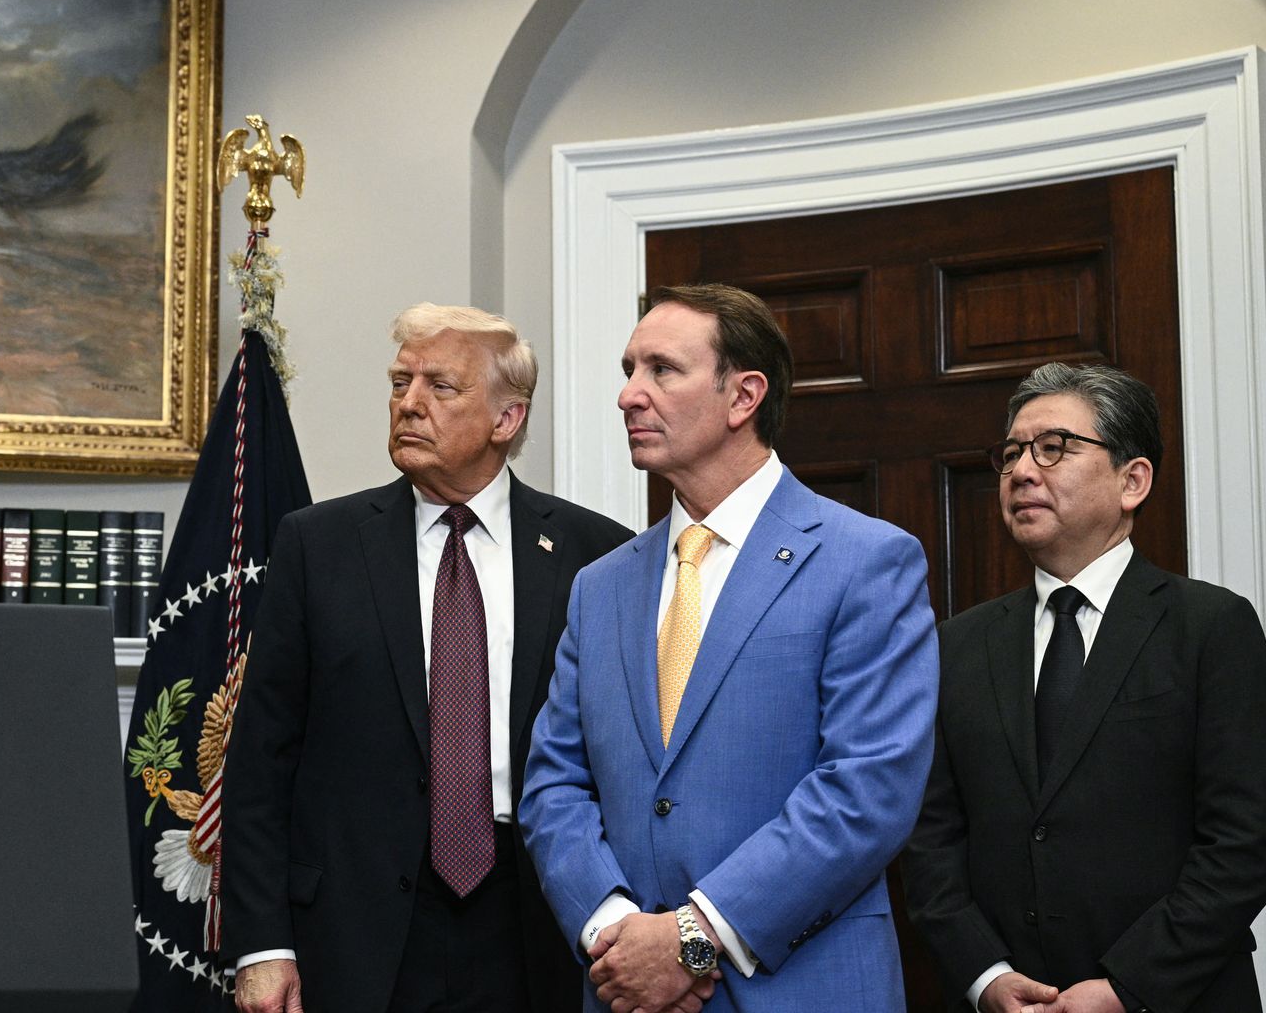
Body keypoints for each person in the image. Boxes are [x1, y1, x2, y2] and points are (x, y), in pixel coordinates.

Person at [520, 283, 938, 1012]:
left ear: (744, 396)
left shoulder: (866, 561)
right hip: (626, 992)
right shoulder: (601, 586)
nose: (629, 396)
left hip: (805, 988)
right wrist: (619, 935)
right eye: (628, 370)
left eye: (661, 370)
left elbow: (867, 791)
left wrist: (691, 940)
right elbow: (554, 785)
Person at [222, 304, 634, 1013]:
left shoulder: (596, 555)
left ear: (507, 419)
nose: (408, 403)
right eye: (399, 382)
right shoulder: (318, 547)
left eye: (440, 387)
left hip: (534, 919)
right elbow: (261, 760)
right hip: (357, 924)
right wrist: (262, 945)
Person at [902, 363, 1266, 1013]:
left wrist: (1126, 986)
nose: (1023, 471)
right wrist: (984, 975)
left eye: (1053, 448)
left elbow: (1247, 841)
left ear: (1132, 480)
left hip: (1176, 996)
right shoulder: (955, 647)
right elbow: (929, 839)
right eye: (1011, 454)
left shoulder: (1210, 627)